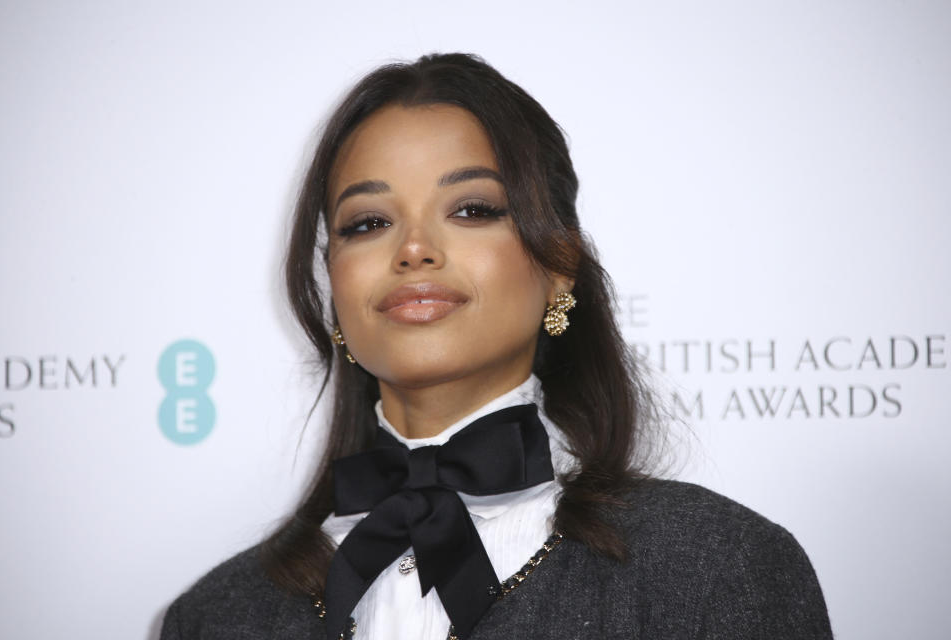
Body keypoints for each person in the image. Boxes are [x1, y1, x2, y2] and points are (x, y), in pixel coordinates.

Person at [160, 52, 833, 640]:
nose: (415, 249)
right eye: (367, 222)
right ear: (331, 283)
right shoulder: (214, 616)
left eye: (472, 209)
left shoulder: (714, 566)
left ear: (559, 264)